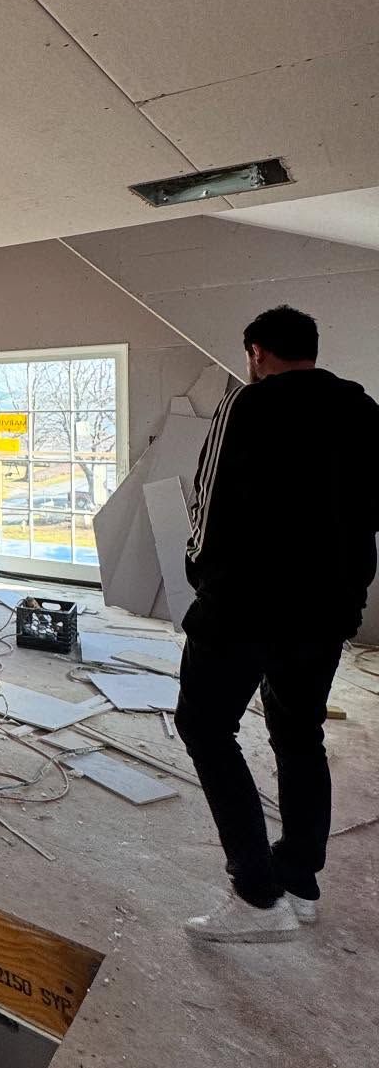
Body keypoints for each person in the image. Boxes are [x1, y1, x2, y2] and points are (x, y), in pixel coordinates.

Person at [178, 305, 379, 943]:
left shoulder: (248, 405)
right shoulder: (363, 410)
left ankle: (254, 892)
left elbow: (205, 503)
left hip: (241, 607)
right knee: (300, 736)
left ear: (257, 352)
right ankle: (300, 881)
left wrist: (199, 577)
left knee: (204, 727)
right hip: (323, 614)